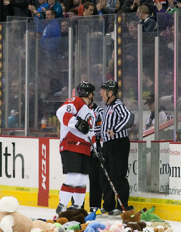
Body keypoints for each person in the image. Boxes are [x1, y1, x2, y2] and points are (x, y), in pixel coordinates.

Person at [54, 82, 97, 214]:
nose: (93, 96)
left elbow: (91, 133)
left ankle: (77, 207)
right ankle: (61, 206)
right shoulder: (76, 101)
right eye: (92, 93)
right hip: (71, 145)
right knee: (74, 177)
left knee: (83, 179)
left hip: (85, 148)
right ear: (89, 94)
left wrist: (94, 149)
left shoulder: (90, 112)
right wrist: (76, 123)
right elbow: (61, 112)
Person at [97, 80, 133, 216]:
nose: (101, 94)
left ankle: (122, 205)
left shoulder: (117, 105)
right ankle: (108, 205)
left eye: (103, 92)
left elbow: (129, 118)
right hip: (107, 144)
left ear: (111, 93)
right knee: (105, 175)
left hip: (118, 143)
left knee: (118, 175)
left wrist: (115, 129)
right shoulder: (106, 107)